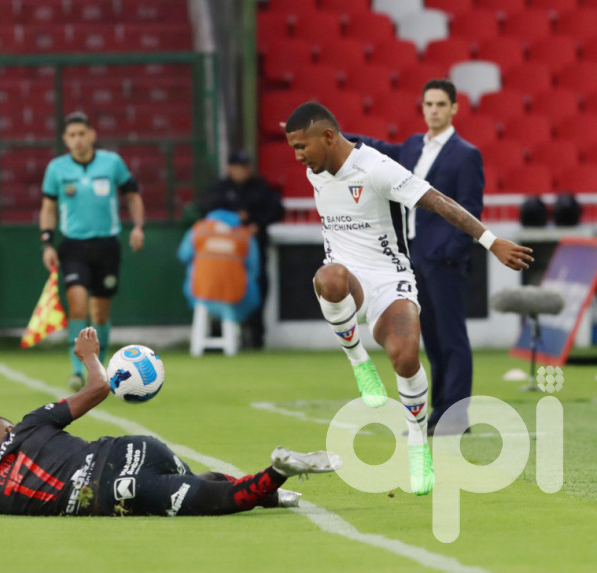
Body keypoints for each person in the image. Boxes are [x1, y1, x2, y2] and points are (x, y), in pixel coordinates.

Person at [283, 102, 533, 496]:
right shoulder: (318, 166)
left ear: (328, 137)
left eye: (302, 147)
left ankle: (418, 446)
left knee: (406, 357)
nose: (298, 156)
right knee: (328, 277)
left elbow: (440, 201)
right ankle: (360, 363)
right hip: (348, 279)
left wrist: (490, 241)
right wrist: (298, 133)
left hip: (389, 279)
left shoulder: (377, 169)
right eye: (293, 147)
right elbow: (311, 133)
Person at [0, 327, 341, 517]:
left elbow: (2, 489)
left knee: (219, 500)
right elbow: (100, 387)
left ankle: (277, 475)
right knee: (195, 480)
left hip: (116, 491)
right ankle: (274, 491)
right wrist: (88, 357)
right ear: (8, 430)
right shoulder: (25, 427)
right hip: (130, 448)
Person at [344, 79, 484, 436]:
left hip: (443, 260)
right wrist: (329, 133)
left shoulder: (465, 154)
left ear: (454, 108)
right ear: (422, 108)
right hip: (413, 258)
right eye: (429, 104)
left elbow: (470, 208)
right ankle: (440, 411)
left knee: (452, 338)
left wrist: (450, 253)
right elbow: (372, 147)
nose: (434, 110)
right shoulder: (410, 147)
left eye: (440, 104)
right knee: (432, 338)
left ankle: (455, 416)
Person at [39, 111, 145, 391]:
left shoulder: (112, 163)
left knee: (99, 313)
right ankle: (77, 371)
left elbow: (132, 195)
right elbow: (48, 207)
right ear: (65, 139)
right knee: (77, 302)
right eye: (72, 135)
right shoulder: (57, 169)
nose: (78, 140)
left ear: (92, 135)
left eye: (82, 134)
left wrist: (138, 226)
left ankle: (101, 368)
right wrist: (47, 243)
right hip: (74, 246)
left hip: (107, 245)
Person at [198, 150, 284, 348]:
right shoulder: (219, 189)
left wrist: (257, 224)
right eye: (238, 167)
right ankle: (217, 335)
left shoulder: (259, 187)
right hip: (223, 255)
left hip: (253, 252)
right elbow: (205, 210)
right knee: (218, 290)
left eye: (245, 167)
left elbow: (275, 210)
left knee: (257, 288)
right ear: (230, 168)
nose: (241, 172)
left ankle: (255, 337)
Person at [177, 208, 260, 324]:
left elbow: (183, 255)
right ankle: (233, 330)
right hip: (236, 293)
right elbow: (253, 268)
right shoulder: (245, 235)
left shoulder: (198, 229)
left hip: (201, 291)